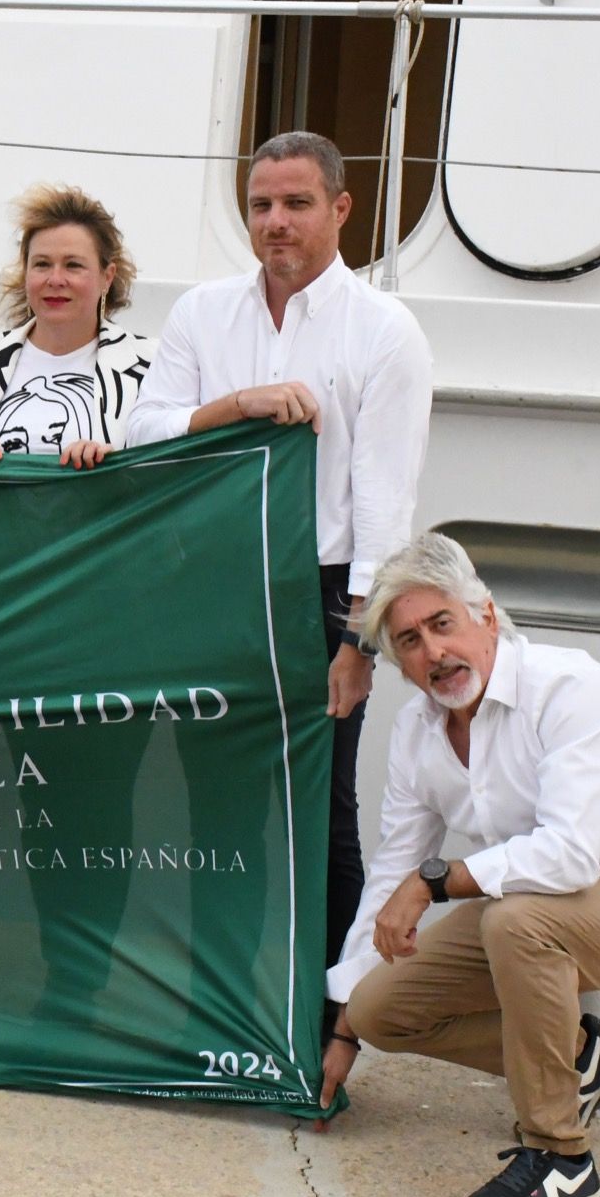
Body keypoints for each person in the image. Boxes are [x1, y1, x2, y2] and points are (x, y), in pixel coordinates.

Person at [317, 534, 600, 1197]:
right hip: (546, 908)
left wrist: (434, 881)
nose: (433, 652)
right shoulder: (418, 733)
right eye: (410, 641)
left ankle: (562, 1161)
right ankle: (583, 1056)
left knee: (515, 920)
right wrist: (344, 1030)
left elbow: (568, 854)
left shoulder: (571, 686)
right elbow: (391, 874)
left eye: (442, 623)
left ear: (485, 613)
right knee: (382, 1008)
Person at [127, 130, 433, 974]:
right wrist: (238, 404)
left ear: (341, 208)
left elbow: (384, 499)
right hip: (211, 580)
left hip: (323, 590)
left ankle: (331, 1013)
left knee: (322, 807)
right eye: (261, 205)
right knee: (212, 801)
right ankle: (221, 994)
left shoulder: (384, 331)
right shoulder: (201, 312)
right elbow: (141, 432)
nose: (276, 222)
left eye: (297, 204)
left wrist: (359, 639)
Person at [0, 184, 154, 470]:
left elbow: (166, 473)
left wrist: (111, 463)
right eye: (42, 264)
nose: (55, 279)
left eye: (73, 265)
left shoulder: (148, 364)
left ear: (107, 276)